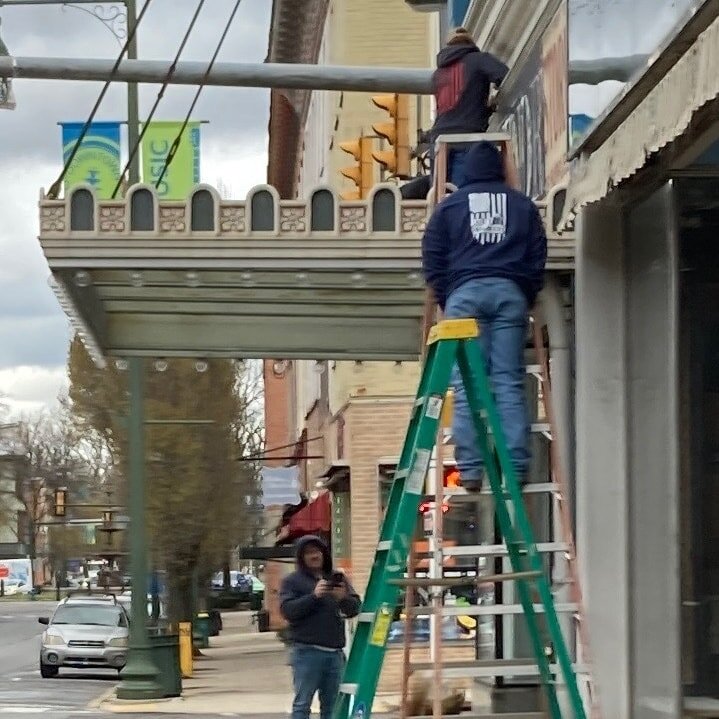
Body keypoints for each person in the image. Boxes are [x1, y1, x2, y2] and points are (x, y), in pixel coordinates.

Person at [421, 141, 547, 490]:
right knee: (508, 380)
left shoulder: (449, 208)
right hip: (509, 293)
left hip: (465, 294)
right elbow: (538, 253)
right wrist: (526, 291)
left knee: (467, 386)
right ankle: (517, 465)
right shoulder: (522, 206)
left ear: (465, 175)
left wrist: (450, 297)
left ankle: (473, 470)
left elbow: (432, 257)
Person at [280, 535, 361, 719]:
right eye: (308, 553)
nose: (314, 556)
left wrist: (342, 599)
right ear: (301, 557)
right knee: (303, 704)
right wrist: (314, 596)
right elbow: (288, 611)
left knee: (333, 706)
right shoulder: (293, 582)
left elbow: (354, 609)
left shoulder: (336, 579)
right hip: (307, 653)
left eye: (317, 551)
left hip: (335, 654)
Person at [429, 27, 508, 187]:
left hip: (438, 140)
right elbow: (503, 74)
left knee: (440, 194)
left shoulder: (438, 73)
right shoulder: (478, 59)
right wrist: (492, 102)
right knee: (463, 192)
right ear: (470, 43)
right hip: (465, 137)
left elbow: (457, 104)